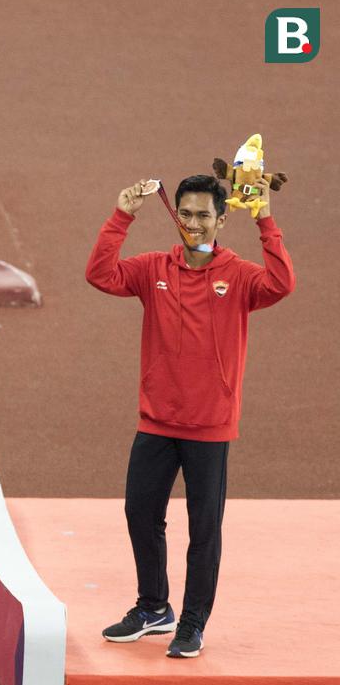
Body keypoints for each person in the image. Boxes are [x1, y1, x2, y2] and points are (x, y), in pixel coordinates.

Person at [86, 174, 294, 658]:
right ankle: (154, 607)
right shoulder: (152, 268)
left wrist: (265, 219)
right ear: (174, 214)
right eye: (186, 214)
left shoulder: (239, 275)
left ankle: (193, 622)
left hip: (209, 426)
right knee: (140, 513)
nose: (193, 224)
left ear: (221, 219)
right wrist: (122, 215)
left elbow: (282, 282)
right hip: (156, 421)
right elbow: (101, 274)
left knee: (204, 530)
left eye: (204, 215)